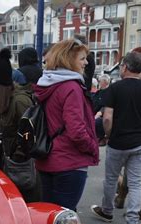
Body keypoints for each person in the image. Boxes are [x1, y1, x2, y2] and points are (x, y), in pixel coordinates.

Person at [91, 52, 141, 224]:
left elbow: (107, 118)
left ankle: (107, 211)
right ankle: (132, 221)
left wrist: (109, 135)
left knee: (111, 179)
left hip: (118, 142)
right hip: (139, 143)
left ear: (125, 67)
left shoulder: (115, 89)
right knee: (135, 182)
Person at [33, 39, 99, 211]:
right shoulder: (71, 87)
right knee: (65, 219)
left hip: (46, 157)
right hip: (69, 161)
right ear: (69, 59)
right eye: (82, 58)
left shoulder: (48, 84)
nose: (86, 62)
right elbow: (76, 129)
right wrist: (92, 146)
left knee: (48, 215)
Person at [0, 48, 40, 202]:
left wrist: (18, 155)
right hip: (12, 164)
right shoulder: (5, 101)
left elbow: (30, 132)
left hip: (23, 167)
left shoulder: (19, 101)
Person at [92, 74, 110, 146]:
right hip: (94, 112)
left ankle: (100, 138)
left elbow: (106, 106)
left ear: (105, 82)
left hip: (102, 114)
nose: (99, 83)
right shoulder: (98, 92)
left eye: (100, 81)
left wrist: (99, 113)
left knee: (97, 121)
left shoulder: (109, 92)